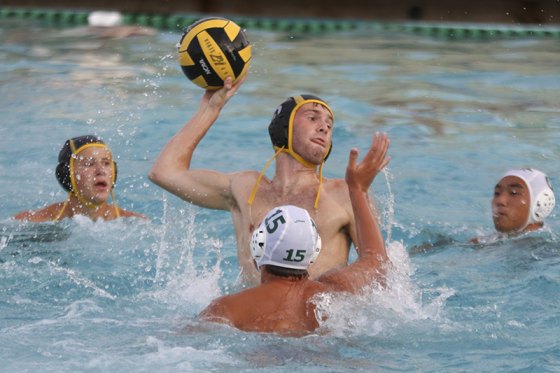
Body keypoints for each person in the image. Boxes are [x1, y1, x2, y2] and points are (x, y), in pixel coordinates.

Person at [149, 76, 386, 283]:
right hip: (253, 326)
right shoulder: (244, 188)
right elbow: (164, 173)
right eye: (313, 118)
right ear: (283, 127)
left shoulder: (345, 194)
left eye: (329, 124)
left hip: (316, 330)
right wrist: (210, 110)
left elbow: (379, 271)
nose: (324, 127)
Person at [199, 133, 390, 335]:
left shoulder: (226, 309)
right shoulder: (334, 292)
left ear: (257, 244)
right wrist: (358, 189)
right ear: (314, 250)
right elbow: (376, 261)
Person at [14, 135, 146, 222]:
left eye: (106, 163)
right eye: (89, 164)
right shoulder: (34, 220)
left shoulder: (134, 223)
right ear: (68, 174)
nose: (101, 171)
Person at [470, 167, 555, 244]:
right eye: (497, 193)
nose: (500, 201)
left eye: (513, 193)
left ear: (541, 202)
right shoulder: (480, 244)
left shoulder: (547, 251)